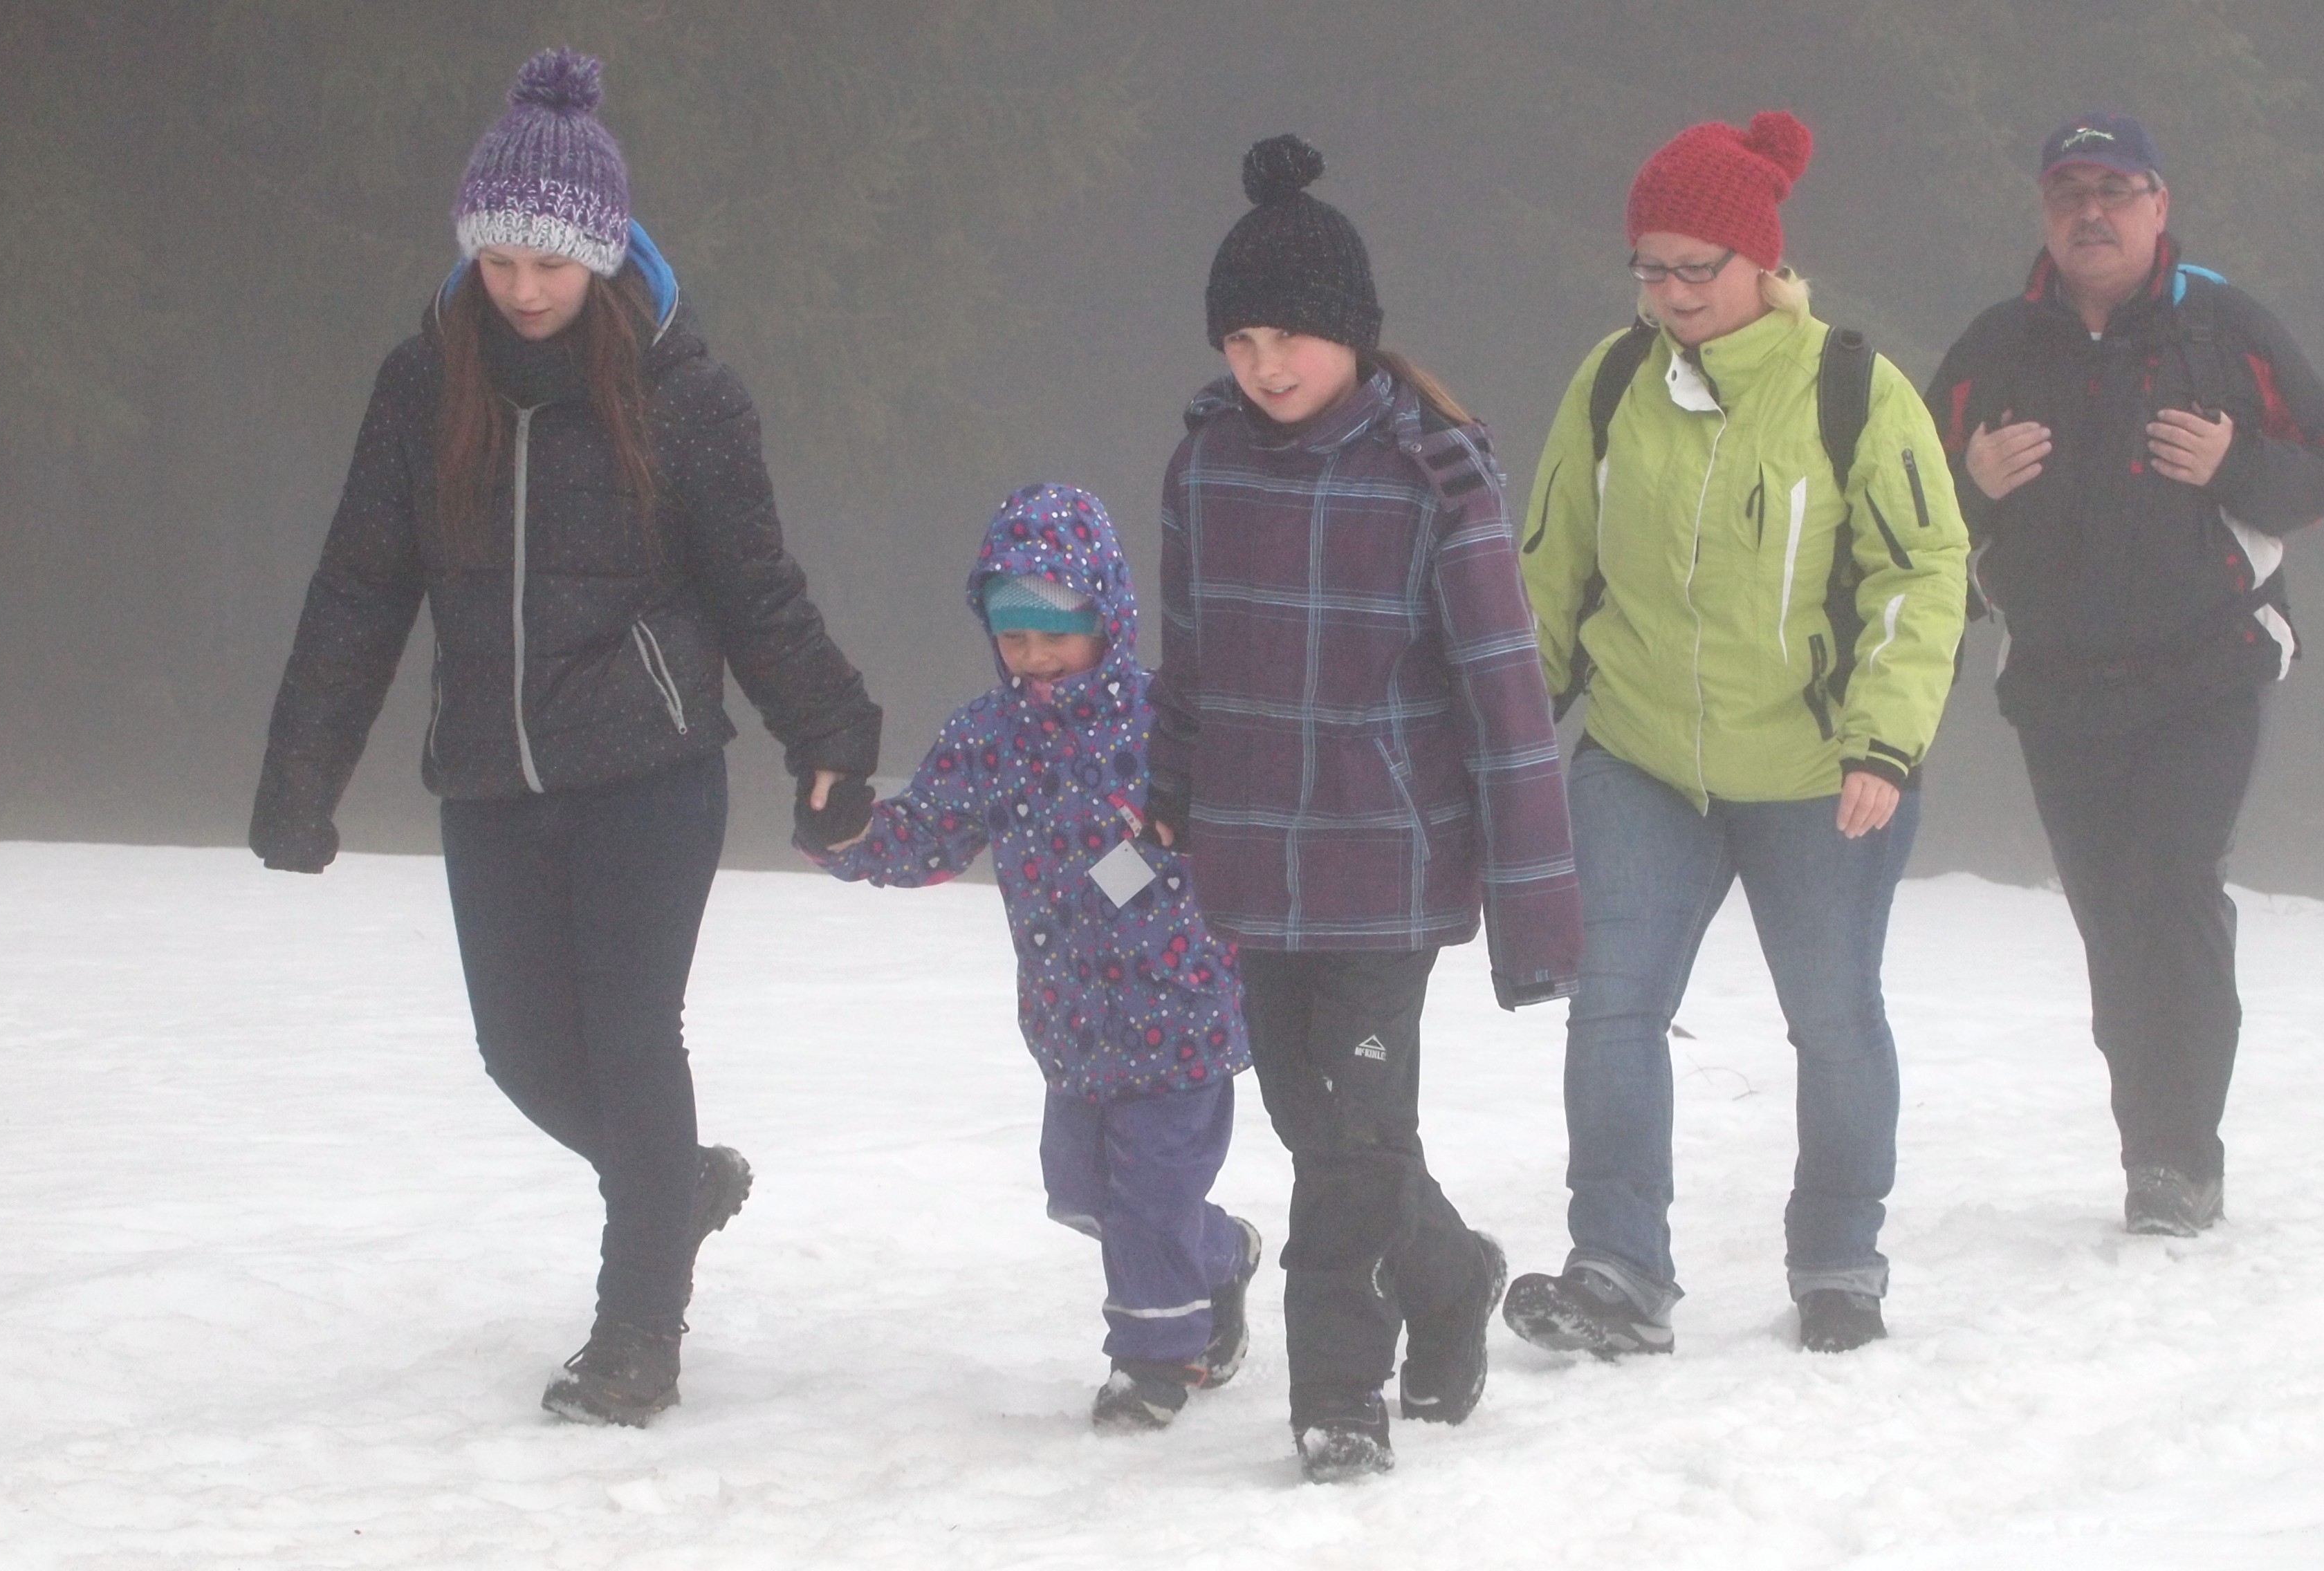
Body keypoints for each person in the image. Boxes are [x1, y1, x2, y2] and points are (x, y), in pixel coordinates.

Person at [248, 51, 882, 1425]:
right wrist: (303, 773)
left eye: (550, 261)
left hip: (650, 767)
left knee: (632, 1035)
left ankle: (636, 1335)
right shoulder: (422, 387)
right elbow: (360, 586)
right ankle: (673, 1186)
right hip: (490, 771)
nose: (525, 288)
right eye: (500, 260)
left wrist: (830, 732)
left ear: (600, 251)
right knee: (524, 1051)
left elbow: (756, 588)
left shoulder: (683, 392)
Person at [1146, 135, 1582, 1482]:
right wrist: (1167, 799)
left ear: (1350, 333)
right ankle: (1452, 1276)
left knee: (1348, 1149)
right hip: (1255, 862)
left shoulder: (1435, 474)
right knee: (1320, 1122)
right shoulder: (1205, 465)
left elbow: (1507, 699)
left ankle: (1339, 1395)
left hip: (1388, 866)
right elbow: (1189, 660)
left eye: (1289, 338)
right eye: (1242, 341)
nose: (1265, 365)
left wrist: (1535, 910)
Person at [1506, 111, 1970, 1359]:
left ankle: (1839, 1263)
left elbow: (1923, 572)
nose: (1669, 294)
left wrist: (1882, 743)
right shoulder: (1613, 382)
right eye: (1649, 269)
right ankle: (1617, 1270)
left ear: (1762, 259)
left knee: (1833, 1018)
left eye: (1694, 268)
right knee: (1612, 1007)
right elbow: (1550, 567)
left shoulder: (1854, 391)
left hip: (1819, 775)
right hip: (1642, 758)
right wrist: (1509, 730)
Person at [1924, 113, 2324, 1235]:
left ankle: (2179, 1162)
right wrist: (1970, 483)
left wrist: (2238, 463)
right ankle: (2151, 1154)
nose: (2092, 213)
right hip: (2058, 682)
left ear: (2159, 206)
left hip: (2209, 665)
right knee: (2113, 920)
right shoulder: (1996, 345)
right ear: (2044, 213)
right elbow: (1902, 510)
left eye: (2115, 191)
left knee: (2171, 888)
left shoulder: (2224, 325)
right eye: (2069, 193)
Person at [802, 483, 1259, 1435]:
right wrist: (850, 836)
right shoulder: (988, 737)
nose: (1036, 656)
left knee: (1151, 1197)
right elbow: (930, 837)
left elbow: (1248, 818)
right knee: (1085, 1196)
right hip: (1071, 1024)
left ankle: (1153, 1363)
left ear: (1107, 615)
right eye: (1014, 636)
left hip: (1182, 1013)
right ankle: (1221, 1255)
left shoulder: (1166, 720)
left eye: (1057, 632)